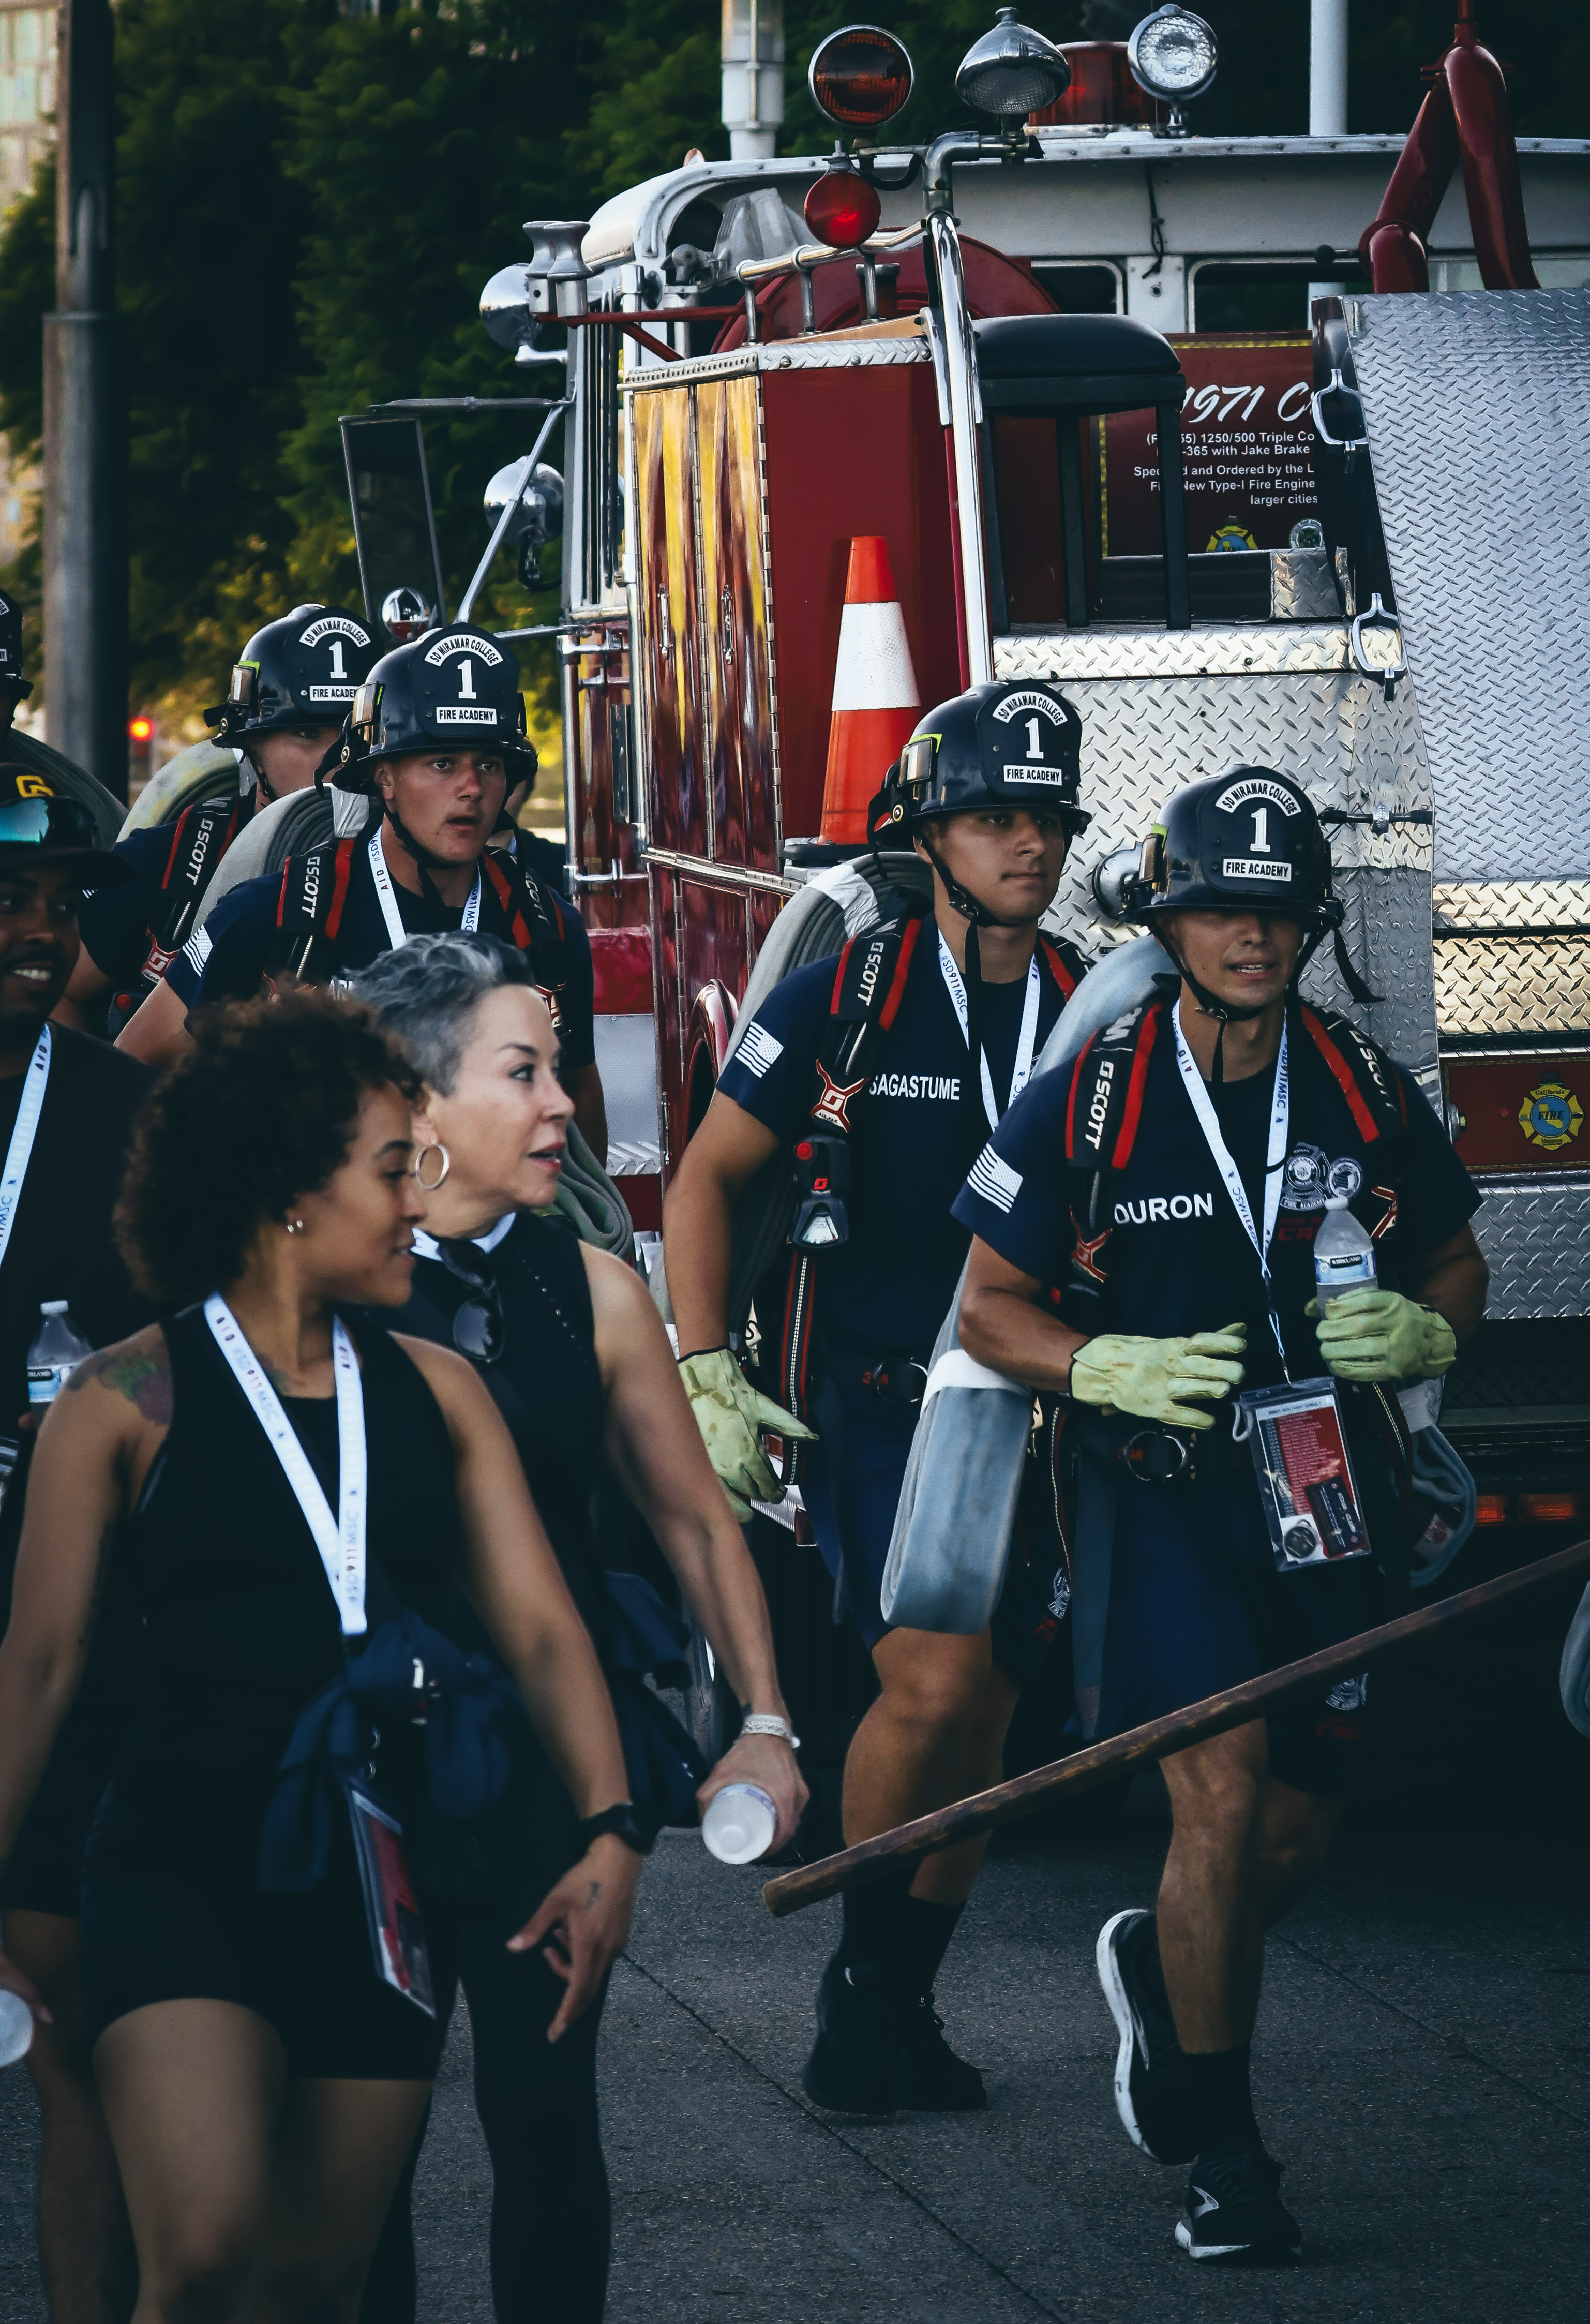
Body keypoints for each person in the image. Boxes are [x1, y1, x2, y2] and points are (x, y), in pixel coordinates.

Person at [0, 991, 642, 2324]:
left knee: (316, 2279)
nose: (420, 1197)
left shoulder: (440, 1388)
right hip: (180, 1853)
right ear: (288, 1189)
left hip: (379, 1875)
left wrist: (610, 1824)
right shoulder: (122, 1397)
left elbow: (538, 1625)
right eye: (392, 1168)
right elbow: (39, 1665)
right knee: (207, 2255)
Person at [954, 767, 1489, 2261]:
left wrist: (1428, 1330)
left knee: (1301, 1832)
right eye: (1217, 908)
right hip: (1159, 1491)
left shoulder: (1368, 1086)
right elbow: (989, 1310)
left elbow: (1452, 1262)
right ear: (1167, 921)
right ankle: (1231, 2158)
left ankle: (1165, 1974)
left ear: (1310, 923)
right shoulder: (1089, 1093)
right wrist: (1095, 1359)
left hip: (1327, 1489)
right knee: (1221, 1790)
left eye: (1275, 910)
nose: (1248, 935)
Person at [353, 930, 806, 2322]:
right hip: (355, 1765)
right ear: (415, 1104)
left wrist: (767, 1724)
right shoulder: (309, 1287)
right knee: (355, 2152)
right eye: (524, 1071)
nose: (565, 1104)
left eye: (556, 1070)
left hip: (547, 1759)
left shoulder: (592, 1286)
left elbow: (690, 1521)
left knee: (546, 2119)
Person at [663, 681, 1090, 2116]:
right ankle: (855, 1992)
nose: (1027, 844)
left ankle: (899, 1997)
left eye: (1047, 818)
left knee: (991, 1716)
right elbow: (711, 1174)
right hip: (886, 1397)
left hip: (1046, 1402)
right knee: (935, 1678)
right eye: (994, 818)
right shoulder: (852, 988)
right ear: (928, 834)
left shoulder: (1093, 1003)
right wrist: (703, 1358)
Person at [117, 623, 607, 1160]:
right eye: (442, 764)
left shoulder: (547, 929)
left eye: (488, 764)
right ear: (384, 780)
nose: (471, 788)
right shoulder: (272, 916)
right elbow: (131, 1066)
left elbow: (578, 1109)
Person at [0, 764, 146, 2323]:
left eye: (61, 905)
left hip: (70, 1624)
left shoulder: (124, 1115)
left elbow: (182, 1351)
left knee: (70, 2031)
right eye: (9, 899)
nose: (42, 932)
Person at [56, 603, 380, 1038]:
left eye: (352, 737)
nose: (338, 758)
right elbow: (57, 991)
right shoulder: (164, 861)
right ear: (251, 744)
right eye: (307, 734)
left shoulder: (428, 874)